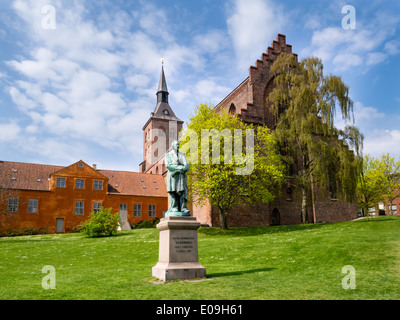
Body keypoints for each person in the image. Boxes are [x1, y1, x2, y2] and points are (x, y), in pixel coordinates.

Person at [165, 140, 190, 215]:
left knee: (182, 192)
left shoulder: (182, 154)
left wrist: (183, 168)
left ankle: (183, 207)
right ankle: (174, 207)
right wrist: (180, 168)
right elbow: (168, 165)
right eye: (176, 145)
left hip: (181, 176)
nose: (178, 146)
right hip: (173, 176)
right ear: (172, 146)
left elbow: (187, 166)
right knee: (174, 192)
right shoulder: (168, 155)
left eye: (178, 145)